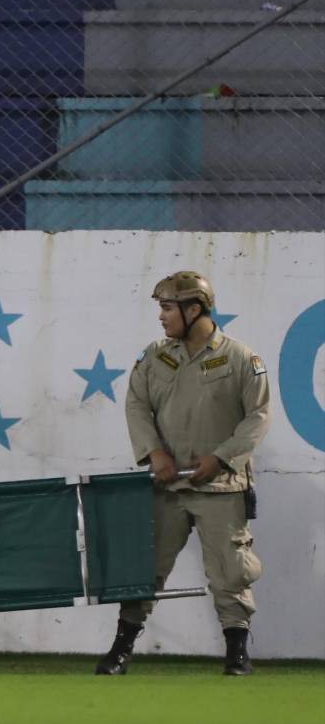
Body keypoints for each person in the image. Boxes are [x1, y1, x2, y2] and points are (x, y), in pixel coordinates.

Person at [97, 271, 270, 677]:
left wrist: (222, 458)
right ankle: (121, 650)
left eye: (167, 307)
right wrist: (154, 452)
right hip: (166, 487)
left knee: (231, 571)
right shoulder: (155, 356)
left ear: (195, 309)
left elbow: (258, 417)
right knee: (145, 569)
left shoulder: (241, 358)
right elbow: (136, 405)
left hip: (222, 486)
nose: (161, 316)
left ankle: (237, 654)